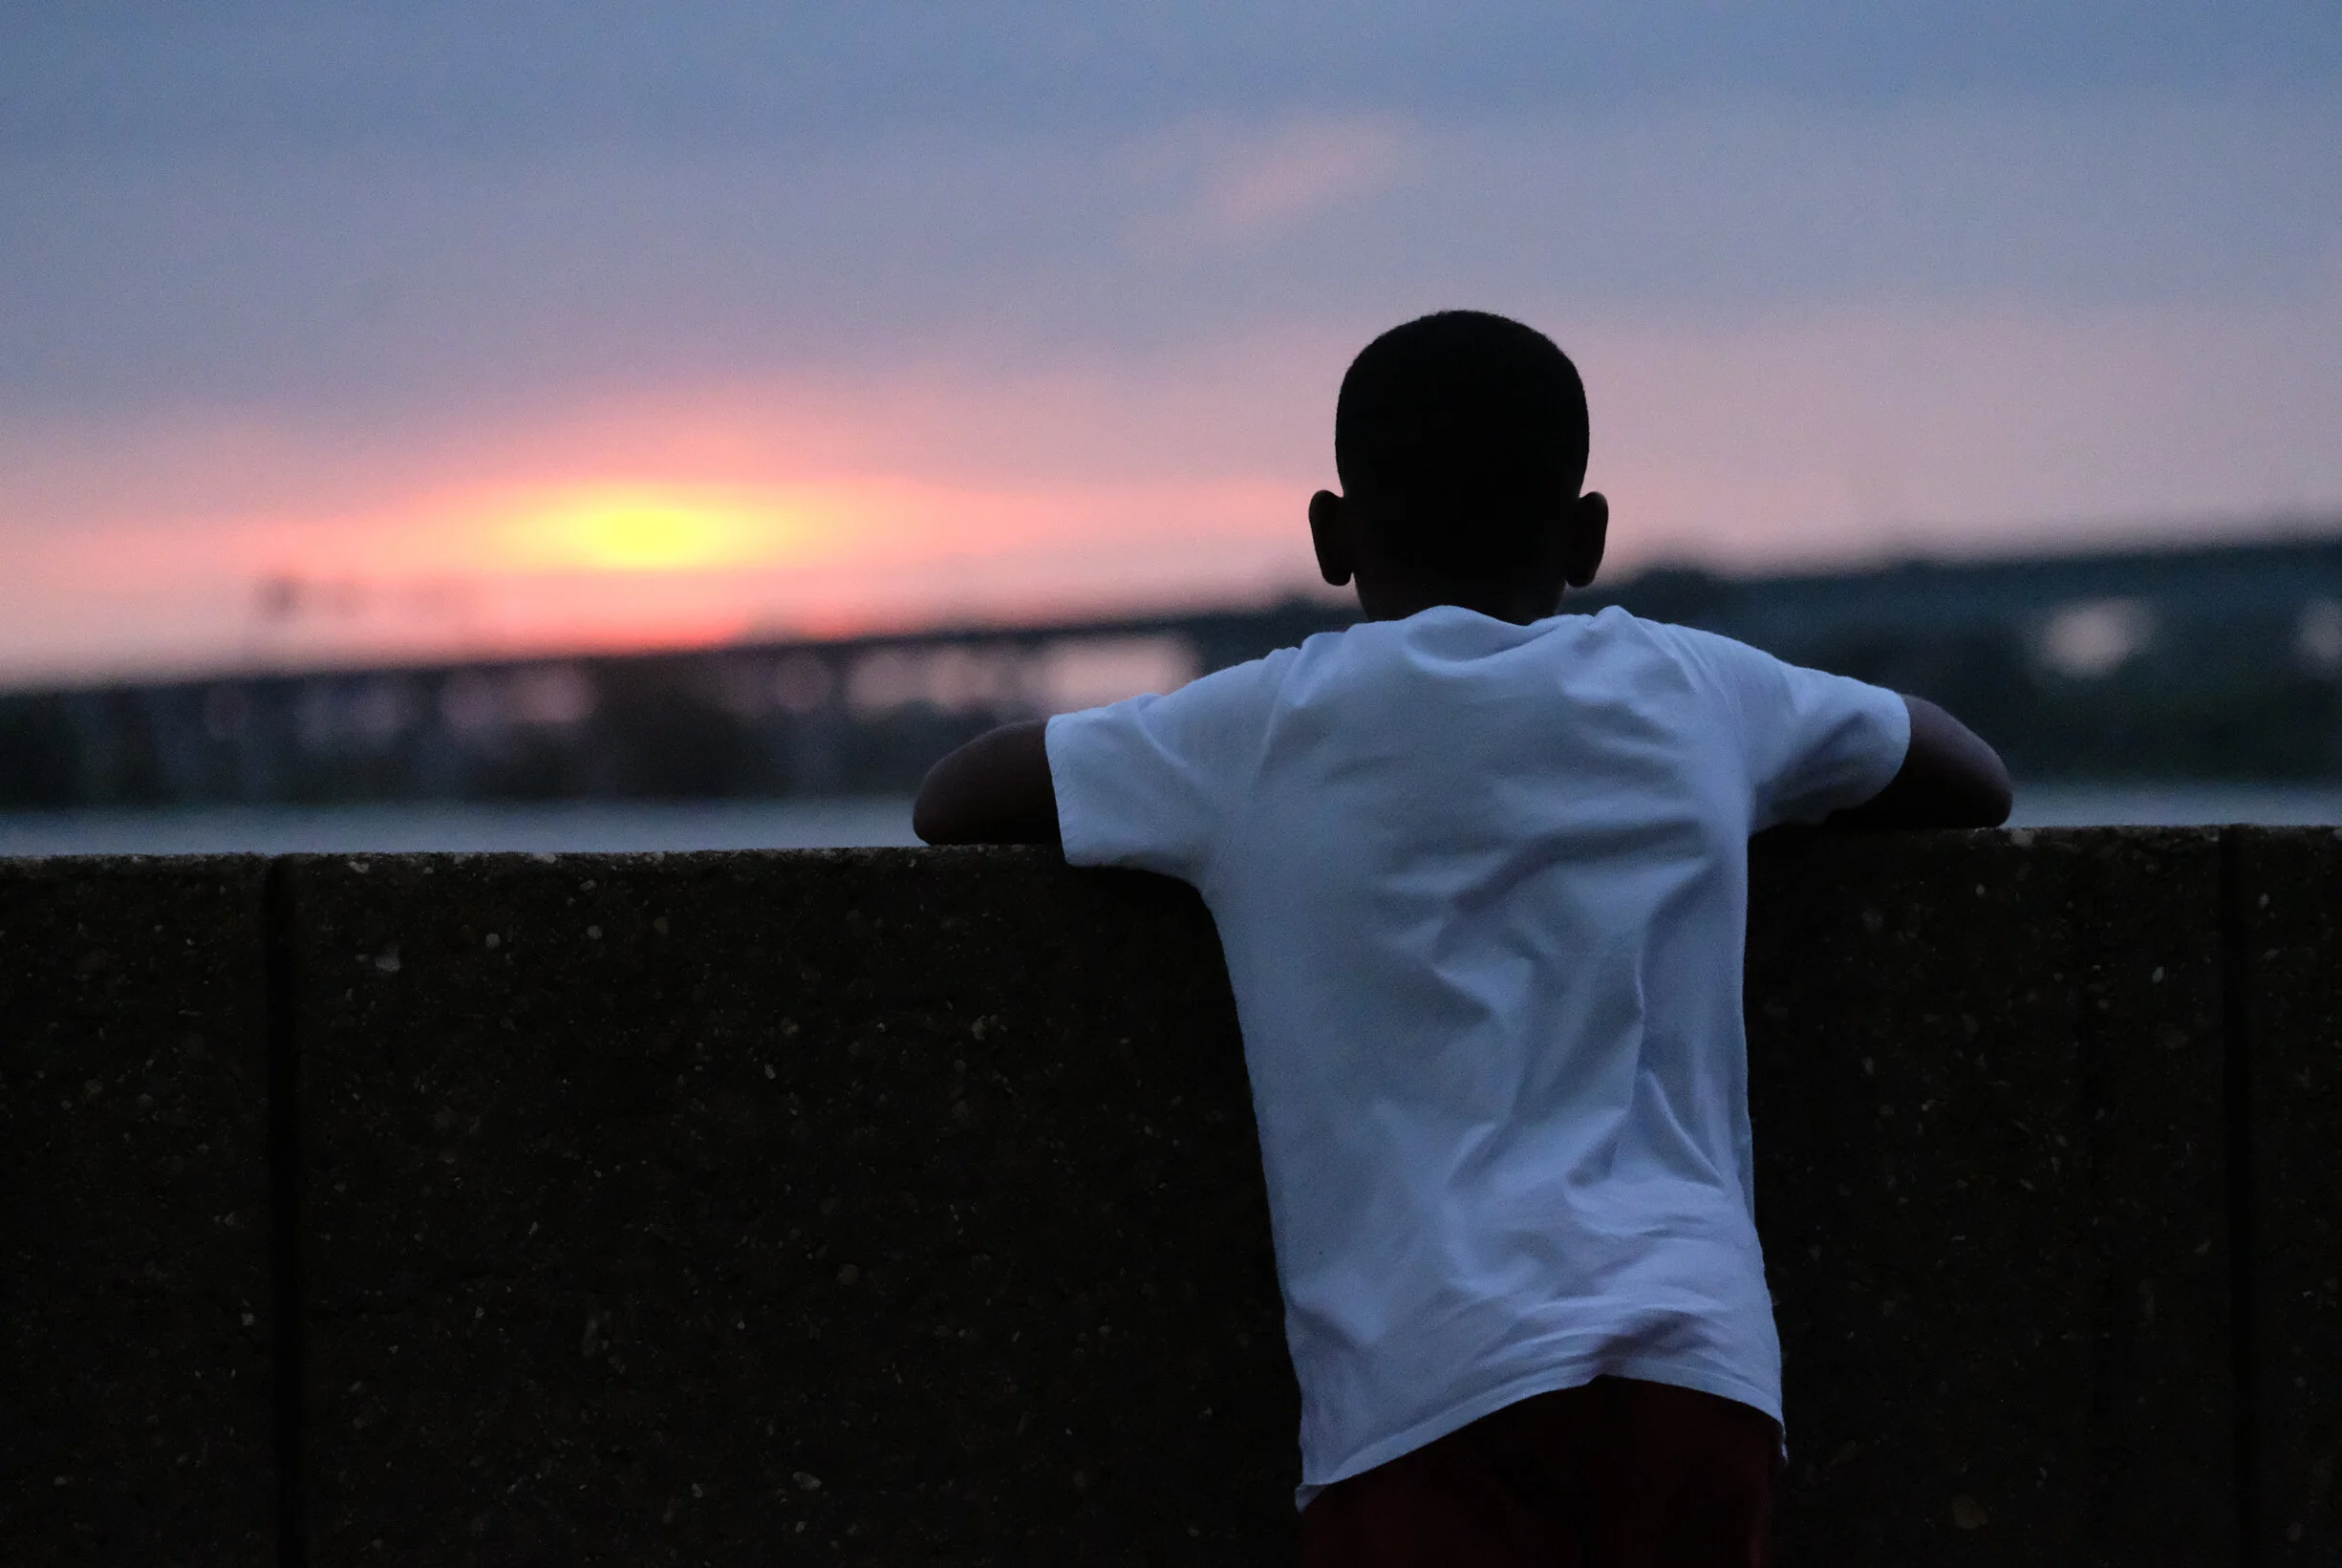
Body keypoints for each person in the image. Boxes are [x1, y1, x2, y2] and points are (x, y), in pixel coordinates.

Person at [913, 311, 2010, 1567]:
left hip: (1426, 1384)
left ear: (1330, 537)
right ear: (1587, 538)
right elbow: (1967, 774)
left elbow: (954, 798)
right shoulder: (1704, 692)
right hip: (1696, 1368)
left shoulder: (1257, 732)